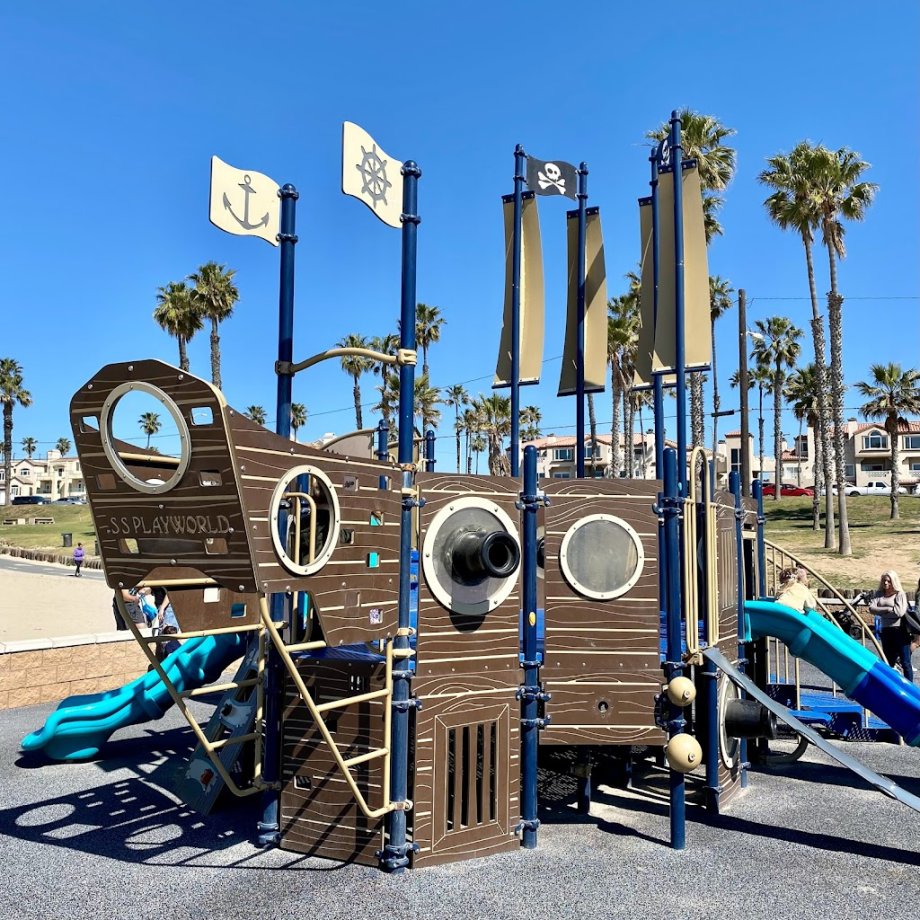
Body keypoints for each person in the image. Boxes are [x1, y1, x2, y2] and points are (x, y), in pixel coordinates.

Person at [868, 570, 912, 682]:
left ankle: (910, 686)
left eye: (889, 581)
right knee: (888, 661)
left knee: (905, 662)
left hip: (900, 631)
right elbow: (871, 608)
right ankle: (890, 685)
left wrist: (880, 611)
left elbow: (899, 612)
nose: (886, 583)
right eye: (884, 580)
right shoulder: (879, 594)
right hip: (886, 631)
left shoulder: (900, 594)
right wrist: (888, 609)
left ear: (894, 581)